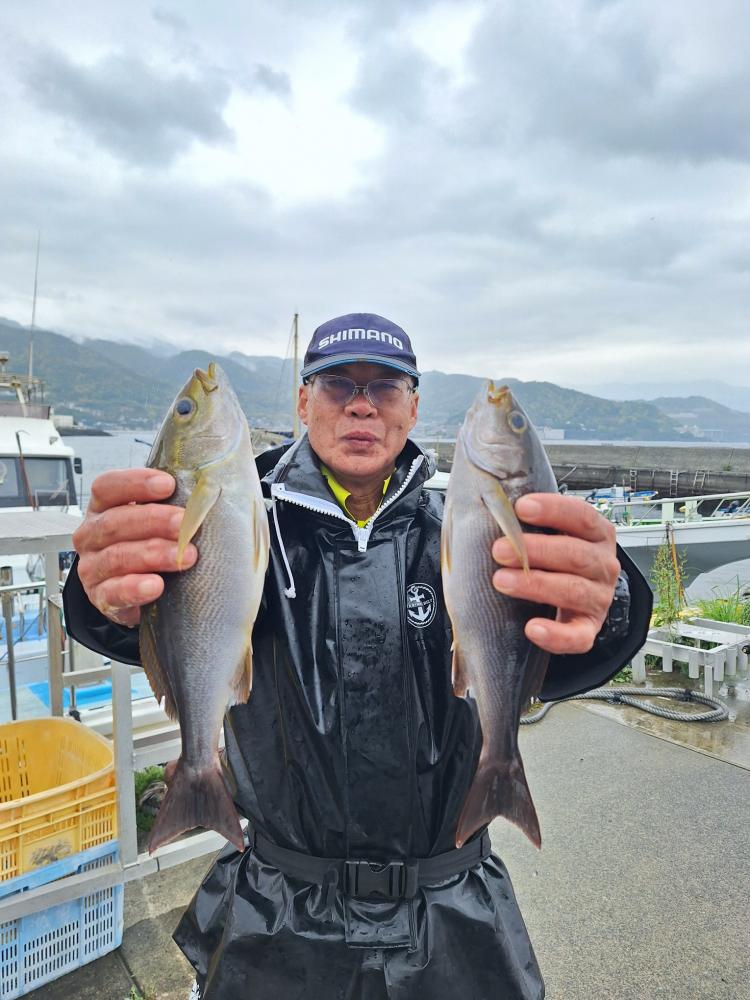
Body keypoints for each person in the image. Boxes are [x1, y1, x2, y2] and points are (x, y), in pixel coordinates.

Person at [63, 313, 652, 1000]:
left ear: (413, 408)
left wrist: (608, 605)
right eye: (339, 383)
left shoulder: (465, 533)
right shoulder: (245, 526)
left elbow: (550, 650)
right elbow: (152, 621)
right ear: (303, 401)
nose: (362, 405)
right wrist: (101, 591)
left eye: (386, 386)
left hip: (452, 911)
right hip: (276, 913)